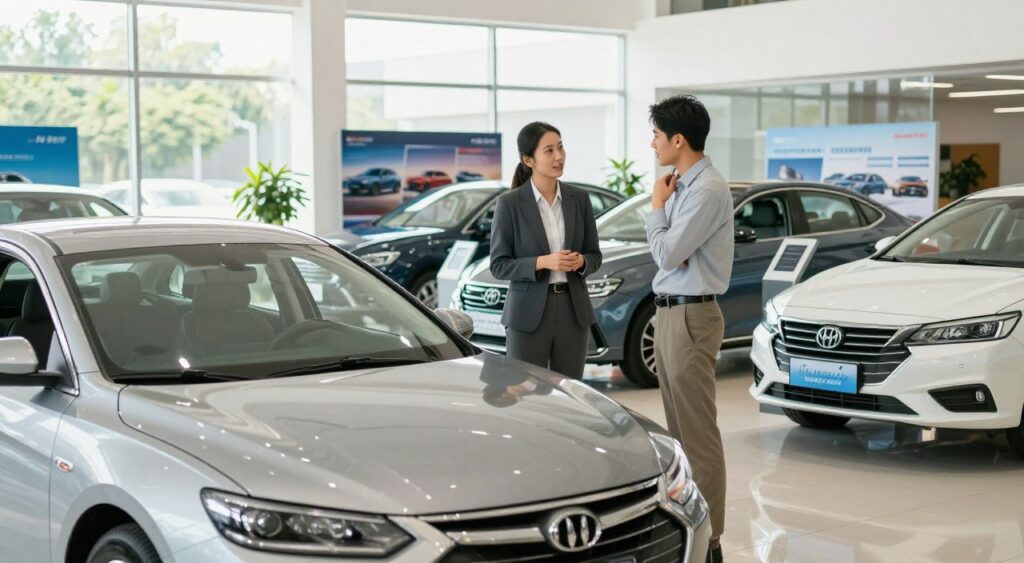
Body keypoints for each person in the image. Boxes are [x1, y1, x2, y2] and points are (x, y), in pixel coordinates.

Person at [644, 95, 733, 563]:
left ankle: (712, 540)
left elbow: (667, 254)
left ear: (679, 139)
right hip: (670, 313)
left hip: (692, 316)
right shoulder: (683, 184)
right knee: (679, 438)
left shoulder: (707, 190)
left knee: (698, 436)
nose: (652, 143)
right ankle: (691, 529)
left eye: (657, 135)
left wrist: (656, 206)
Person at [489, 121, 601, 379]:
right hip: (528, 313)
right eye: (549, 151)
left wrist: (581, 262)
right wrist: (544, 262)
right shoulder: (510, 204)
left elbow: (595, 256)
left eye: (561, 148)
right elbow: (499, 265)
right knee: (526, 392)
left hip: (574, 312)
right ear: (528, 159)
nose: (559, 156)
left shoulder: (579, 199)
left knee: (570, 391)